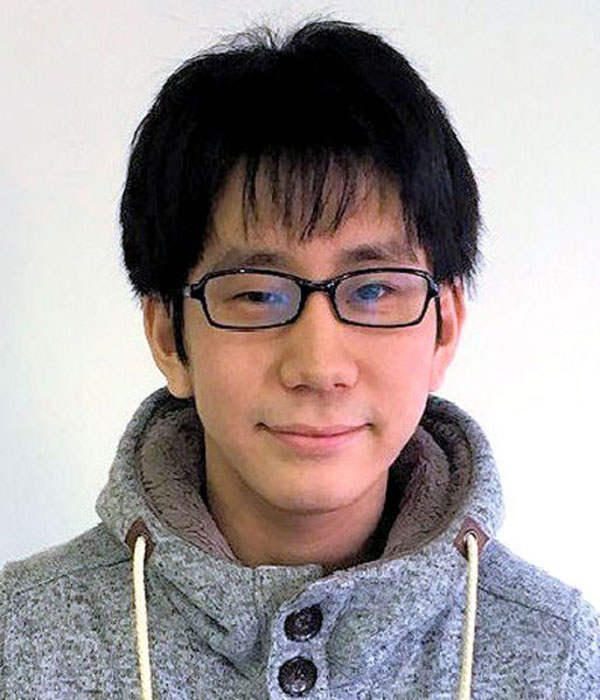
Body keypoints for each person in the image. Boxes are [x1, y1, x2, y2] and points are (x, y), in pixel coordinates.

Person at [1, 18, 598, 700]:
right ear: (168, 335)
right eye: (257, 294)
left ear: (444, 328)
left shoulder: (557, 656)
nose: (318, 366)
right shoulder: (20, 642)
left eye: (373, 290)